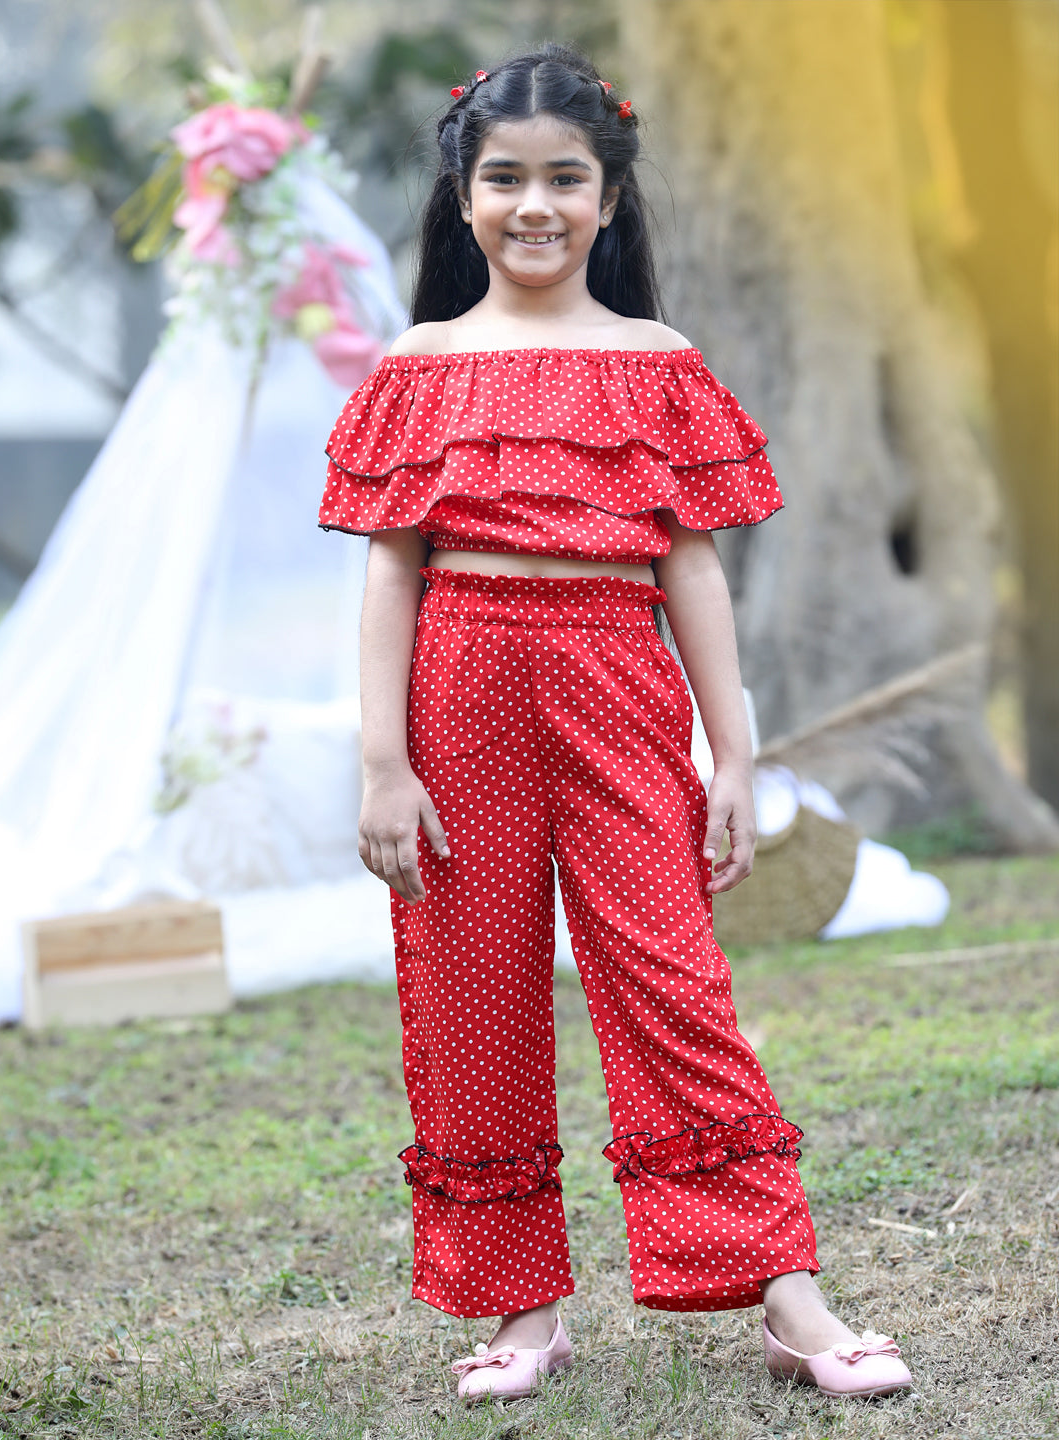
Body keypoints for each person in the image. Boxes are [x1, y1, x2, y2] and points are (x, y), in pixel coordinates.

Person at [318, 44, 912, 1406]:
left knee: (676, 987)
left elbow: (692, 564)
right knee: (469, 995)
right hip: (457, 685)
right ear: (463, 197)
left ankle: (790, 1300)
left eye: (566, 180)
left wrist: (733, 750)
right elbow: (391, 567)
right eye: (506, 178)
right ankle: (521, 1312)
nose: (536, 205)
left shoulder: (655, 363)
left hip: (614, 678)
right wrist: (384, 762)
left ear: (610, 197)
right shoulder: (420, 365)